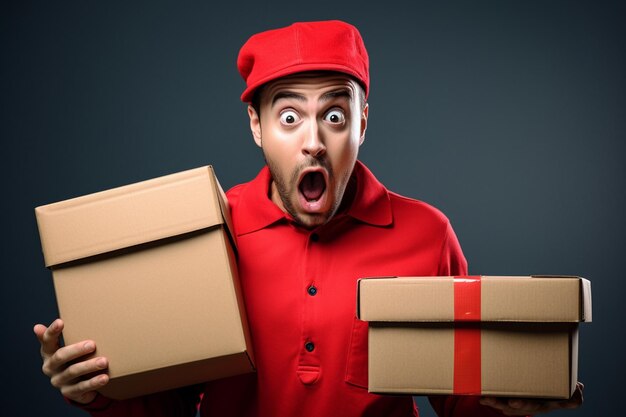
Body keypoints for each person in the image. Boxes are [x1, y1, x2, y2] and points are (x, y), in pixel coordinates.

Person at [34, 20, 583, 417]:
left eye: (336, 115)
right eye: (290, 116)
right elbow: (172, 404)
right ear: (256, 125)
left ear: (363, 122)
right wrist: (96, 391)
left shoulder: (427, 233)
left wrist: (511, 404)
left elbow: (458, 400)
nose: (314, 143)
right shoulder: (207, 231)